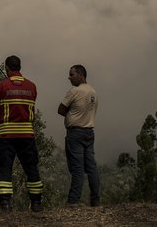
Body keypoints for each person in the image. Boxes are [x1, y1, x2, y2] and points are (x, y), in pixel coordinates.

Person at [0, 55, 44, 213]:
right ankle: (36, 203)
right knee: (31, 168)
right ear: (19, 67)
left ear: (7, 68)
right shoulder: (32, 86)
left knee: (5, 168)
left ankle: (5, 204)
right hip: (27, 135)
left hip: (7, 135)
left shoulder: (2, 85)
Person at [57, 64, 101, 207]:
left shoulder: (75, 91)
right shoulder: (93, 92)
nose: (69, 77)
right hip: (89, 132)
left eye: (72, 74)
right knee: (91, 167)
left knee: (77, 168)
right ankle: (95, 199)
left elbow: (61, 109)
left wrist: (71, 112)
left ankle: (73, 200)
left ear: (81, 75)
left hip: (76, 133)